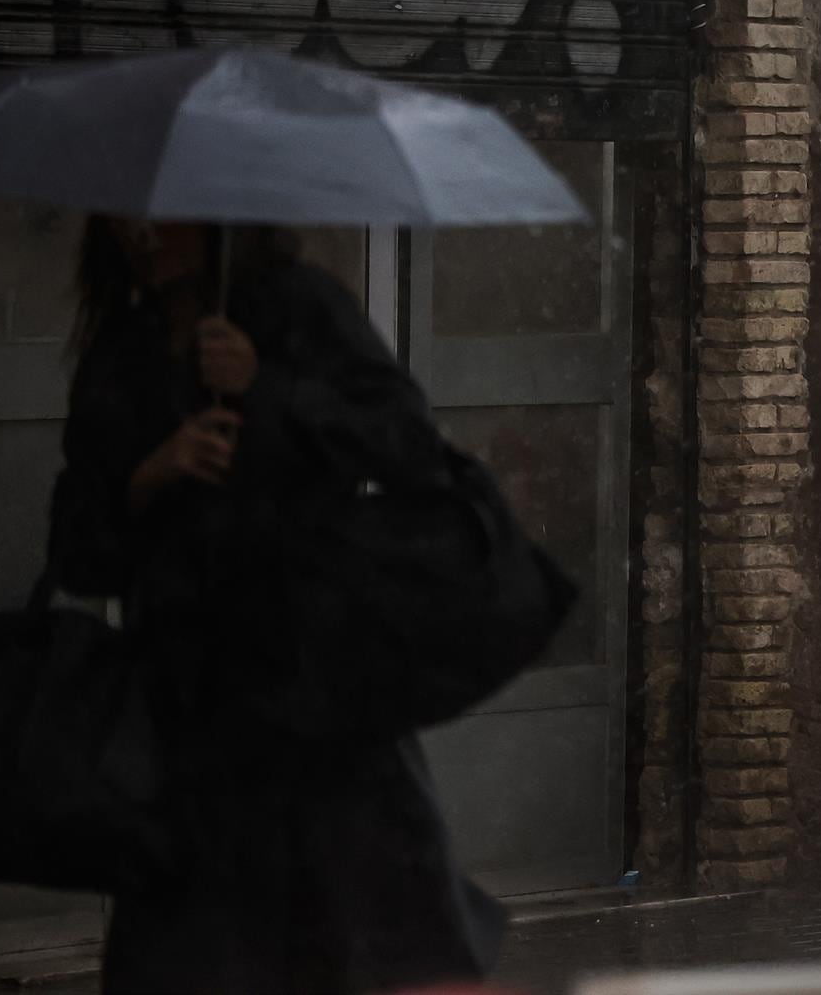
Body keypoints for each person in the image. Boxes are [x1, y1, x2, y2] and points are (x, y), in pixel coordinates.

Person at [48, 218, 502, 995]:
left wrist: (272, 386)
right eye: (124, 215)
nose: (144, 235)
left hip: (315, 704)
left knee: (344, 945)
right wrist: (148, 476)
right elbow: (79, 551)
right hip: (185, 727)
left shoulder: (299, 310)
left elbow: (406, 447)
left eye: (167, 216)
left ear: (220, 214)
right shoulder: (121, 351)